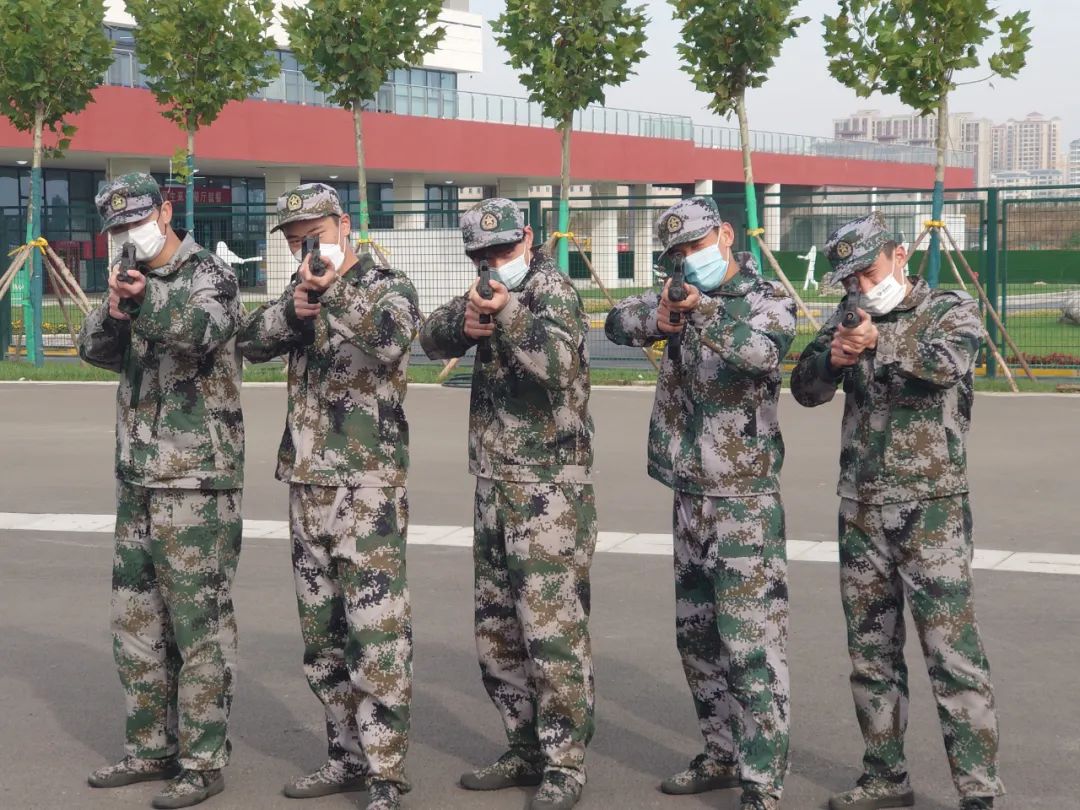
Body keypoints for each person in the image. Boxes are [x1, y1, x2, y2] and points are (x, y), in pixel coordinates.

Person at [790, 212, 1002, 810]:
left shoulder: (949, 310)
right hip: (861, 506)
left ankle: (978, 790)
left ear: (900, 255)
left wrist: (880, 342)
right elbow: (804, 390)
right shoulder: (848, 315)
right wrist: (833, 360)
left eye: (868, 271)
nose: (860, 286)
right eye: (849, 279)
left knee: (952, 655)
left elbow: (947, 365)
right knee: (871, 655)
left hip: (931, 507)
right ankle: (885, 775)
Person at [605, 196, 796, 810]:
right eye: (678, 252)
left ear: (726, 235)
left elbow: (764, 354)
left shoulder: (766, 298)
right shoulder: (676, 293)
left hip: (743, 498)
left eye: (696, 245)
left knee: (751, 643)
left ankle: (762, 781)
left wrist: (703, 312)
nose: (689, 259)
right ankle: (719, 754)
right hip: (689, 492)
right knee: (697, 638)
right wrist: (662, 316)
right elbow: (616, 322)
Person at [238, 183, 420, 810]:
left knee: (377, 634)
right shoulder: (301, 291)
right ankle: (344, 756)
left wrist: (334, 291)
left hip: (367, 486)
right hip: (306, 481)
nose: (305, 251)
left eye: (313, 237)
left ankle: (386, 773)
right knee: (322, 638)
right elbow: (250, 341)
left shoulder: (388, 286)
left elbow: (391, 341)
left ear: (344, 225)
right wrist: (297, 308)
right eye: (295, 242)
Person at [420, 198, 596, 810]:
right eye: (483, 255)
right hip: (494, 481)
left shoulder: (553, 292)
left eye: (502, 249)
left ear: (527, 237)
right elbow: (429, 335)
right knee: (498, 631)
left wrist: (509, 313)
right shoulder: (484, 289)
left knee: (552, 632)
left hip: (549, 486)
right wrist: (465, 324)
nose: (494, 263)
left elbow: (558, 366)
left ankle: (564, 763)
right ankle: (523, 747)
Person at [78, 172, 245, 809]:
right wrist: (116, 308)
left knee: (199, 628)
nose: (129, 234)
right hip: (138, 477)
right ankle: (150, 747)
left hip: (196, 480)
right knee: (136, 621)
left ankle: (202, 761)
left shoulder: (210, 274)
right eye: (118, 227)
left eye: (136, 221)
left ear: (166, 211)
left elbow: (201, 331)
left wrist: (146, 299)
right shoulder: (129, 277)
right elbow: (94, 349)